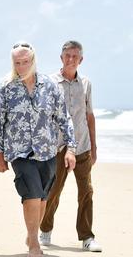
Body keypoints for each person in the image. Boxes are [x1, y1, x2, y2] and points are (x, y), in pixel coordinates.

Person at [0, 42, 77, 257]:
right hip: (19, 152)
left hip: (47, 150)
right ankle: (34, 246)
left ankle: (31, 235)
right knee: (30, 194)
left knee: (42, 198)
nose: (21, 66)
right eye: (17, 63)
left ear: (33, 60)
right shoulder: (6, 87)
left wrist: (70, 149)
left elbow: (63, 117)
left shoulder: (50, 85)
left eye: (25, 62)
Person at [40, 40, 102, 252]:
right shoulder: (49, 81)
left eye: (75, 56)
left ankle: (87, 236)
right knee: (54, 190)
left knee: (86, 191)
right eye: (67, 55)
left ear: (81, 60)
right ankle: (45, 229)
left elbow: (89, 116)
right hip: (57, 147)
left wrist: (94, 147)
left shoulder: (86, 83)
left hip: (82, 146)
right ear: (61, 58)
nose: (71, 59)